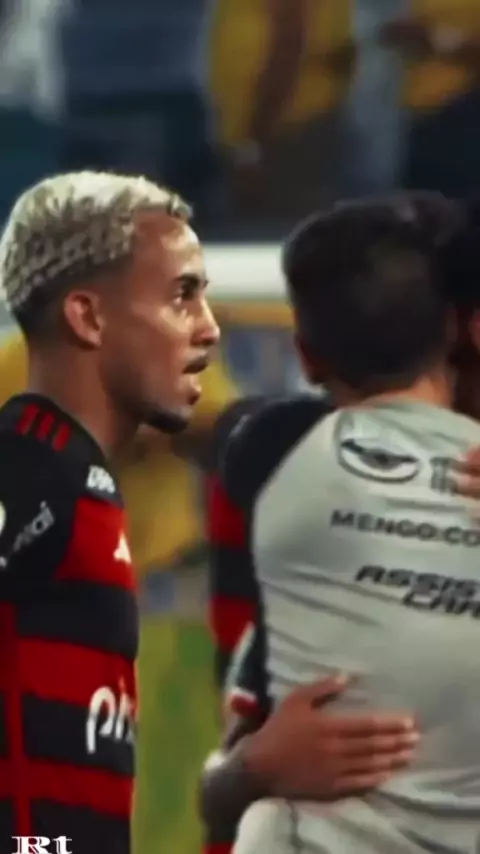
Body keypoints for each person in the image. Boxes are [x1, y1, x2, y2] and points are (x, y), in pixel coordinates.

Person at [202, 194, 480, 853]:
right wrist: (250, 771)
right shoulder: (294, 468)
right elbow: (234, 779)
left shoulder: (278, 456)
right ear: (462, 330)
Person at [0, 170, 219, 853]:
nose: (209, 327)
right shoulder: (32, 469)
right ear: (88, 317)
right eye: (182, 296)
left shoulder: (72, 471)